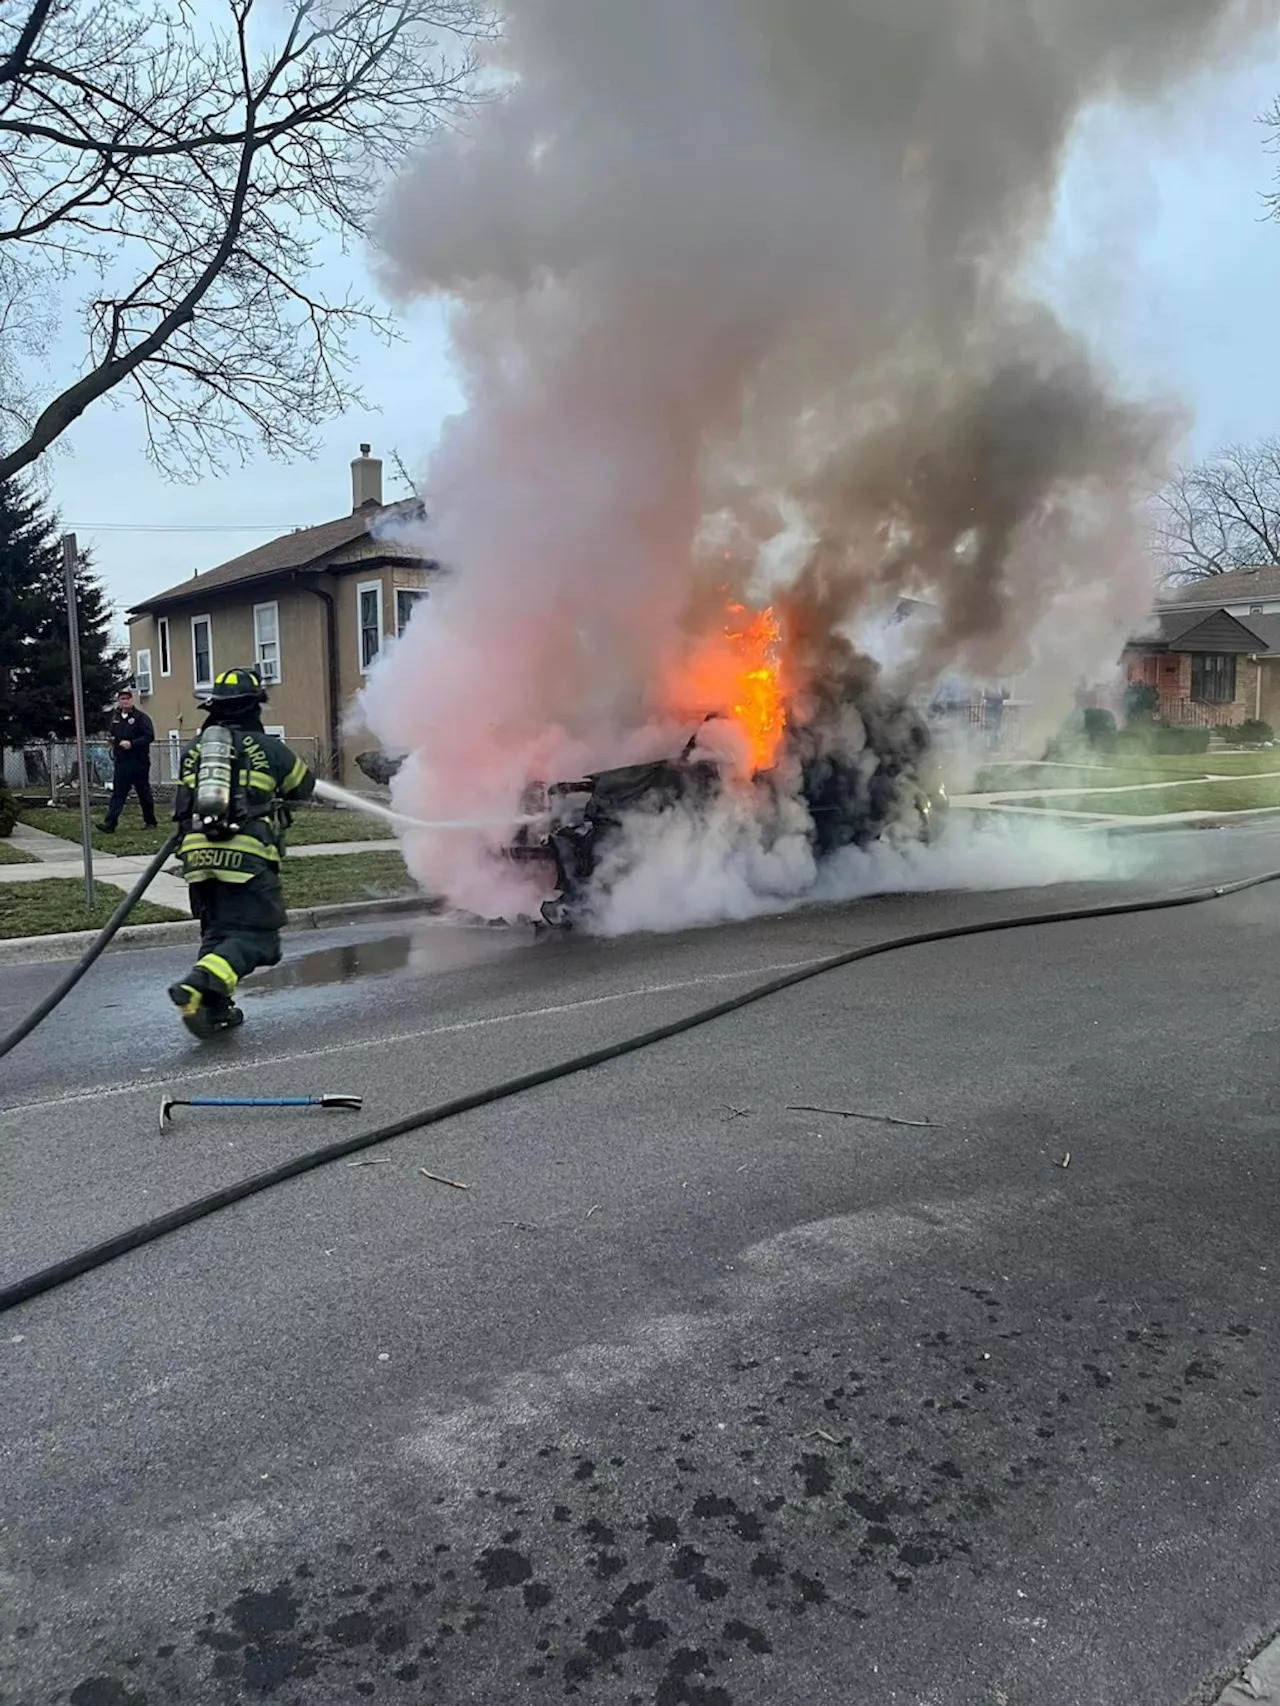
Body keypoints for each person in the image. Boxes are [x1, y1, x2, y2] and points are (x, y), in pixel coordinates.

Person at [167, 667, 315, 1038]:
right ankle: (199, 981)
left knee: (219, 935)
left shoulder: (194, 751)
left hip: (197, 861)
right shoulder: (270, 749)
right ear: (254, 707)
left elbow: (184, 801)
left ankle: (211, 1006)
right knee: (260, 939)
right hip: (246, 859)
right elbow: (303, 786)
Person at [101, 687, 157, 831]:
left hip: (139, 761)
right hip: (122, 762)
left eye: (127, 698)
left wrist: (132, 744)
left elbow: (149, 736)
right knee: (118, 793)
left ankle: (150, 821)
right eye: (122, 699)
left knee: (143, 792)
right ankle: (110, 823)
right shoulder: (116, 718)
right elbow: (112, 734)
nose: (125, 701)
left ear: (132, 700)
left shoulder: (141, 718)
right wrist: (111, 741)